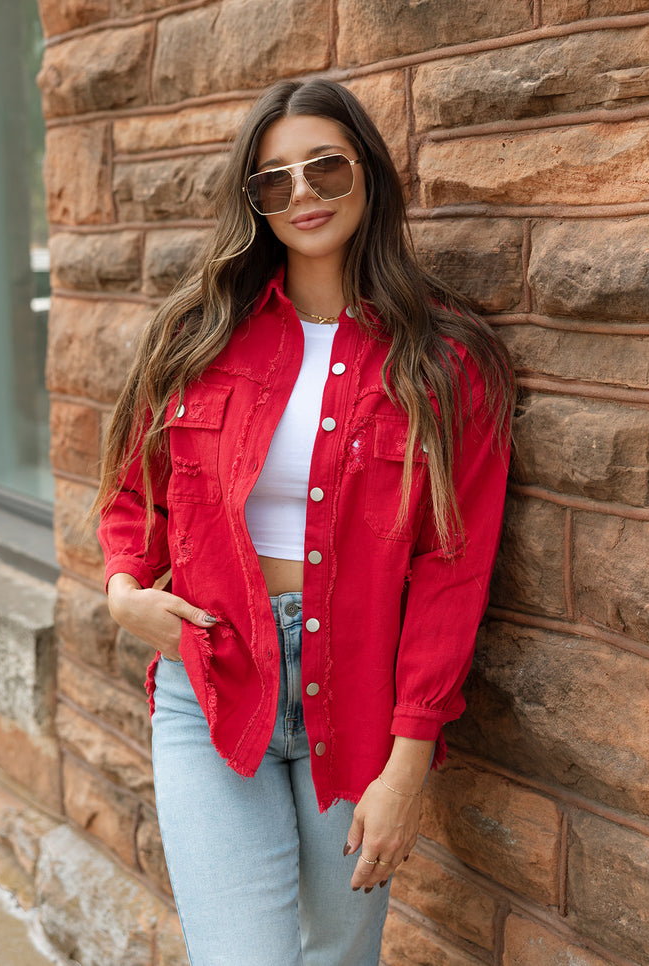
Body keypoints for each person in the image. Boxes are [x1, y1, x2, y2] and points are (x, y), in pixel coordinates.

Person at [95, 78, 514, 966]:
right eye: (273, 181)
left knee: (335, 957)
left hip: (359, 701)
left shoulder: (446, 361)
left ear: (368, 173)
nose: (303, 195)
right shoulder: (197, 335)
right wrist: (126, 591)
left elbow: (452, 569)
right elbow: (134, 492)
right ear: (252, 204)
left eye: (324, 167)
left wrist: (407, 767)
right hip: (211, 679)